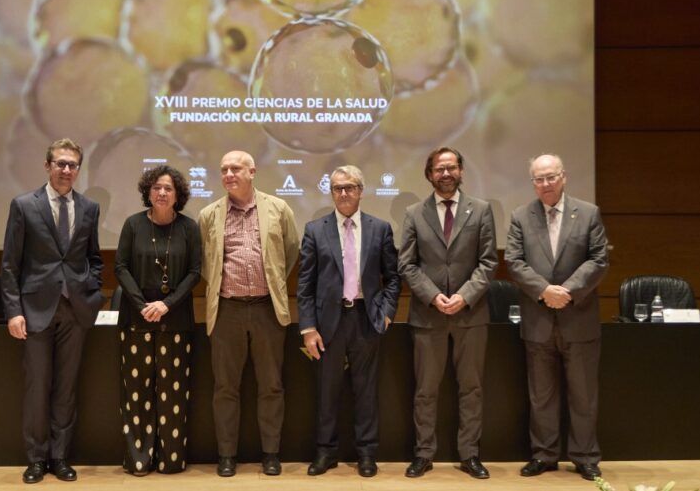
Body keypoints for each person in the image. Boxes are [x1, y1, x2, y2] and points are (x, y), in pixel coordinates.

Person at [0, 138, 104, 484]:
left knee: (66, 388)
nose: (66, 170)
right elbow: (10, 265)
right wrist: (13, 310)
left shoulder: (89, 208)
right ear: (47, 166)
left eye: (72, 164)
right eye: (60, 163)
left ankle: (60, 457)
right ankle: (36, 459)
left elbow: (94, 259)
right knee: (37, 387)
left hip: (75, 311)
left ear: (78, 169)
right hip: (34, 311)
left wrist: (91, 292)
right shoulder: (24, 205)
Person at [506, 153, 609, 482]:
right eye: (539, 179)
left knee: (583, 395)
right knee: (542, 394)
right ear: (533, 183)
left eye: (551, 177)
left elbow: (599, 259)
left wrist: (566, 290)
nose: (546, 184)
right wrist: (544, 291)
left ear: (563, 177)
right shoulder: (520, 216)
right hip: (538, 319)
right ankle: (544, 455)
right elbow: (514, 261)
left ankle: (585, 456)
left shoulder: (588, 213)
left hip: (578, 318)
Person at [198, 150, 300, 477]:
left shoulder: (278, 209)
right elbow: (204, 262)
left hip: (267, 309)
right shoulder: (208, 214)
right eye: (224, 169)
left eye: (236, 168)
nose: (229, 174)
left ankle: (270, 453)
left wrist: (270, 280)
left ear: (252, 171)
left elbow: (290, 250)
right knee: (225, 387)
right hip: (226, 309)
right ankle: (227, 455)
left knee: (271, 385)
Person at [398, 146, 497, 479]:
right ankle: (424, 453)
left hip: (471, 315)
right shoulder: (413, 213)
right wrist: (434, 296)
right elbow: (407, 264)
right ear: (429, 174)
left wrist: (465, 297)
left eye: (451, 167)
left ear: (461, 171)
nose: (446, 173)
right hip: (429, 315)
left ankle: (469, 454)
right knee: (425, 390)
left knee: (472, 388)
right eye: (439, 169)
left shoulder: (481, 211)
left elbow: (488, 263)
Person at [297, 165, 400, 477]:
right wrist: (308, 327)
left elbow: (393, 278)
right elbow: (305, 284)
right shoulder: (315, 230)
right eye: (337, 188)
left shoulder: (380, 229)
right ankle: (325, 453)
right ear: (331, 193)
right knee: (327, 391)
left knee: (366, 391)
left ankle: (367, 454)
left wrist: (386, 311)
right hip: (328, 323)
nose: (343, 193)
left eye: (349, 187)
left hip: (365, 319)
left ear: (361, 191)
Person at [113, 165, 201, 475]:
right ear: (148, 193)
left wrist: (165, 305)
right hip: (136, 319)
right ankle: (139, 459)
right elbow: (121, 266)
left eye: (168, 188)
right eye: (156, 188)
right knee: (137, 392)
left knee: (173, 392)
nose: (162, 193)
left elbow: (195, 272)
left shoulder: (189, 228)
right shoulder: (133, 224)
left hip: (175, 318)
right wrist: (141, 305)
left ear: (178, 195)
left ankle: (171, 460)